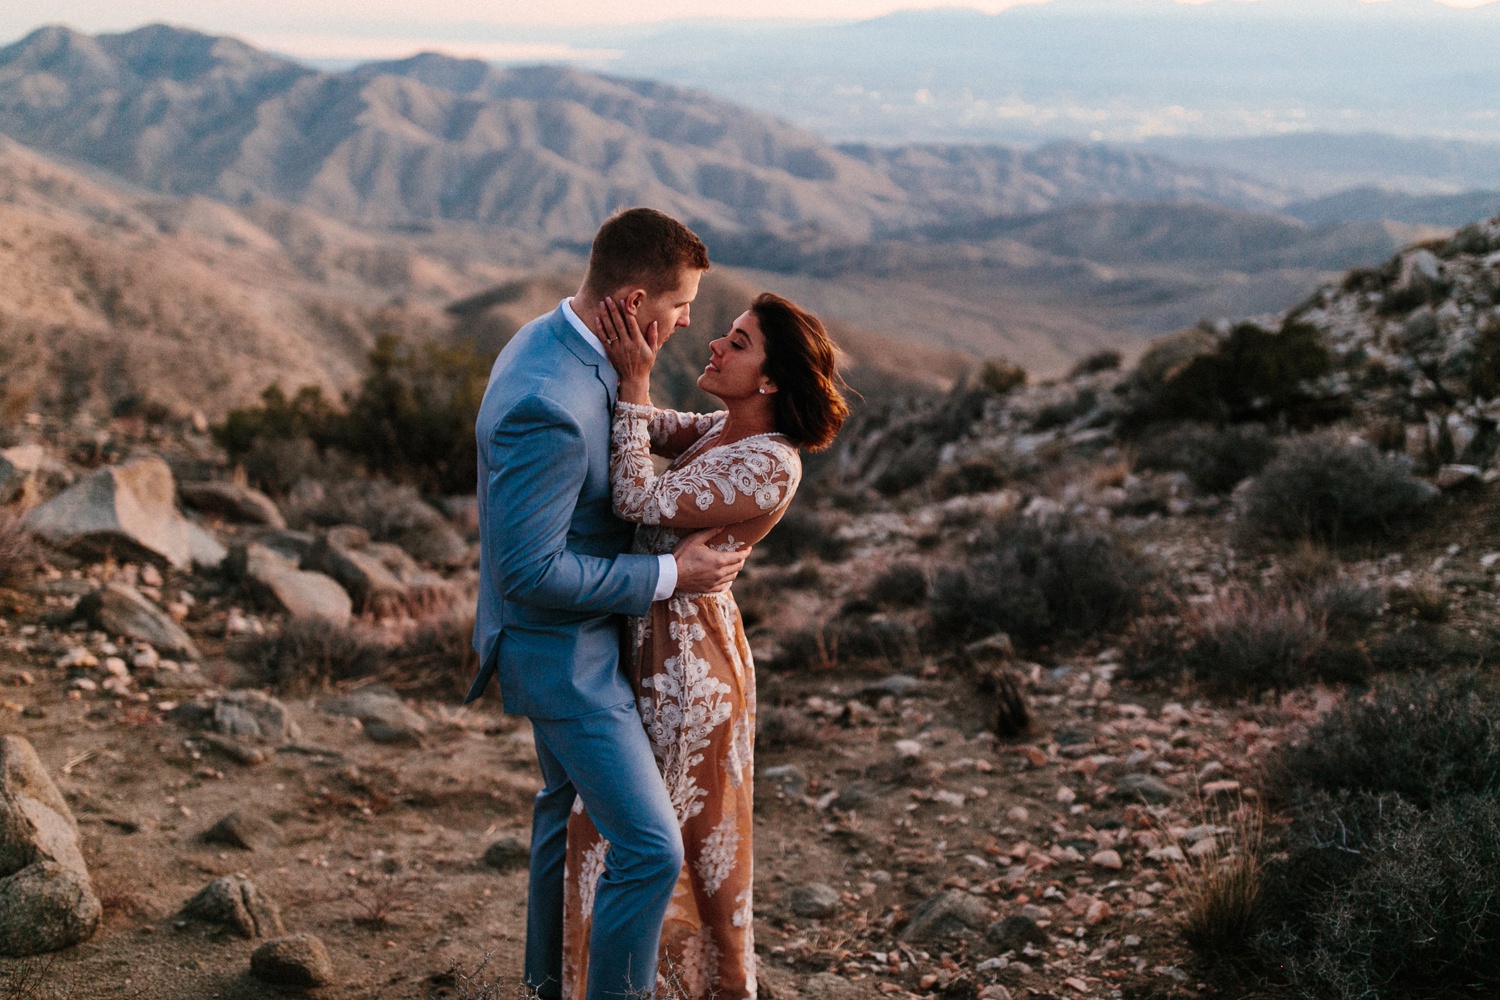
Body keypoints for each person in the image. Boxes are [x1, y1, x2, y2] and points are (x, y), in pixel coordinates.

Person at [465, 207, 751, 1000]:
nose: (689, 320)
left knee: (562, 812)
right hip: (564, 655)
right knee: (652, 849)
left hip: (574, 642)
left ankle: (545, 984)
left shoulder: (552, 339)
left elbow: (634, 433)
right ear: (632, 300)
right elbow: (529, 571)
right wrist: (671, 579)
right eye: (680, 303)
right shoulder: (548, 402)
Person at [560, 291, 850, 998]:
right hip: (647, 643)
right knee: (620, 832)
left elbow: (636, 498)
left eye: (739, 343)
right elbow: (648, 428)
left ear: (773, 381)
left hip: (686, 670)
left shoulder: (769, 463)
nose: (717, 346)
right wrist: (623, 353)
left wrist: (632, 382)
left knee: (655, 841)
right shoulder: (722, 429)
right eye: (726, 333)